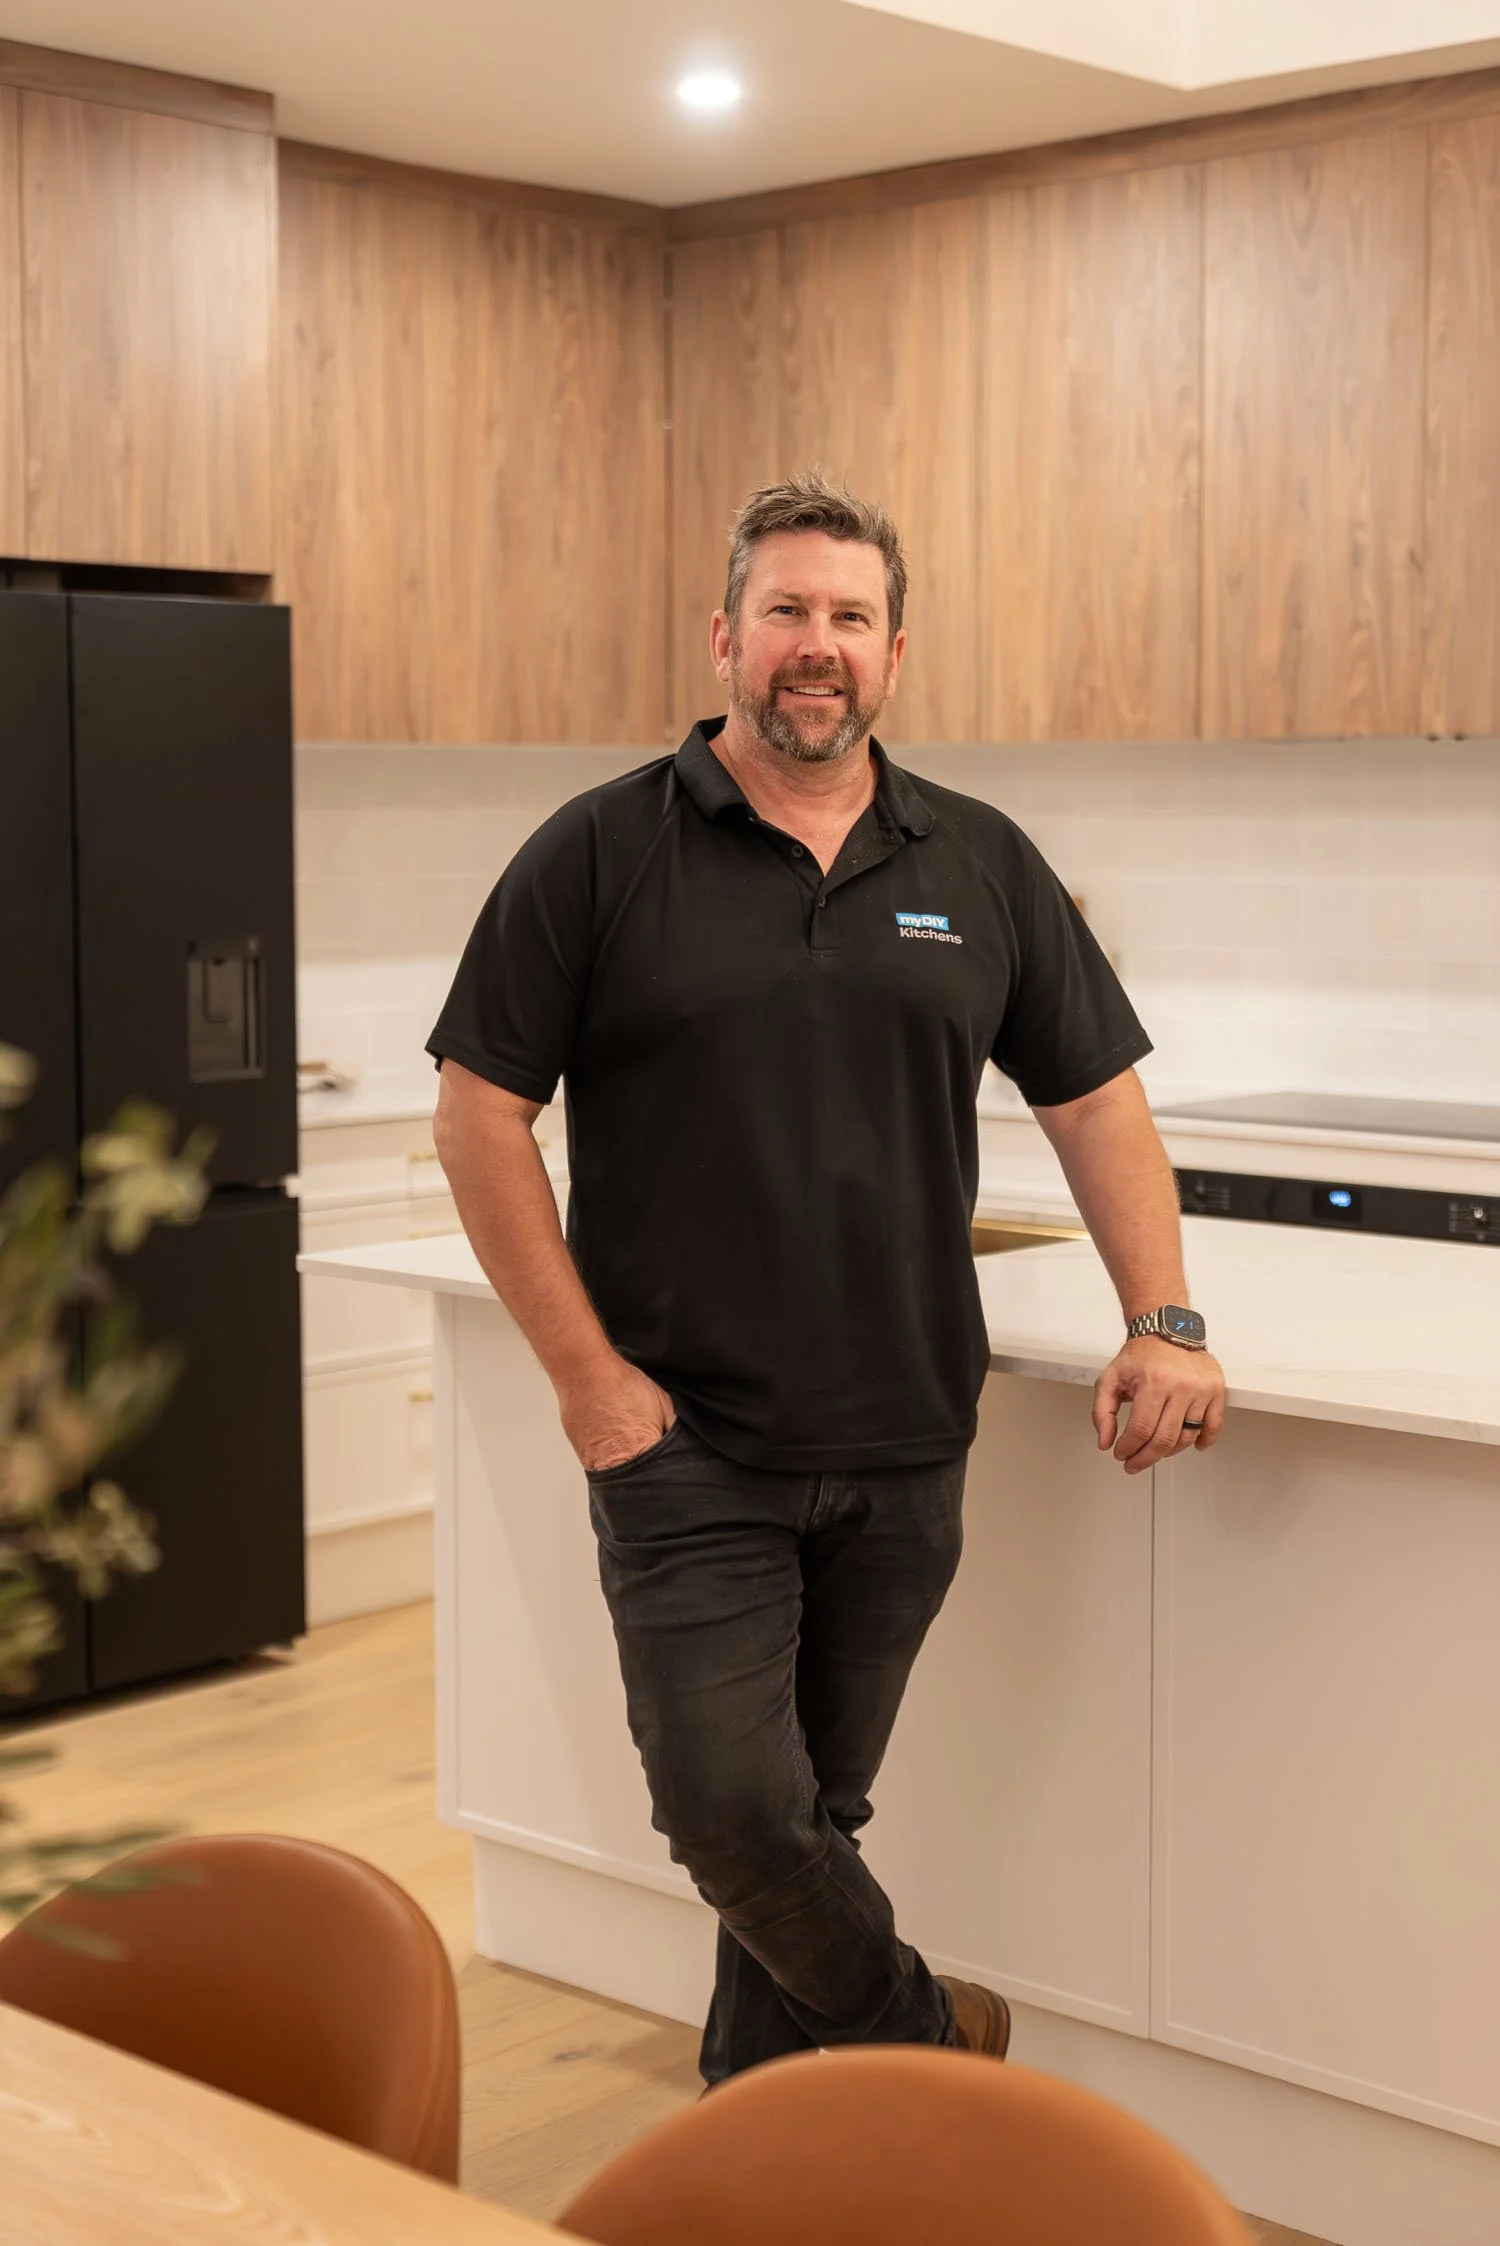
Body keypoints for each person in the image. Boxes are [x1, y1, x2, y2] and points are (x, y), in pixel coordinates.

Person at [427, 470, 1227, 2087]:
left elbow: (1094, 1104)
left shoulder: (981, 863)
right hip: (684, 1444)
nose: (816, 645)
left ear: (894, 652)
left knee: (802, 1825)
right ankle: (934, 2046)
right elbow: (477, 1118)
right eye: (785, 611)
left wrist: (1167, 1317)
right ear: (725, 635)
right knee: (727, 1802)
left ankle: (767, 2135)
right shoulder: (596, 855)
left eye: (848, 617)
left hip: (906, 1434)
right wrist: (591, 1384)